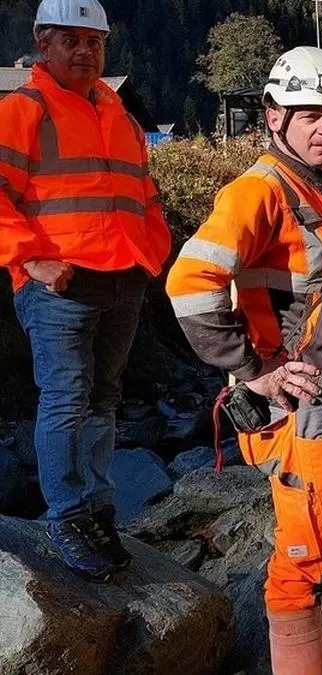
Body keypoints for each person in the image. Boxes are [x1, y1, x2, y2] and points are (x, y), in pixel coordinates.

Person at [166, 47, 322, 672]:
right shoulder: (259, 190)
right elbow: (189, 282)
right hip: (304, 412)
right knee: (304, 563)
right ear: (274, 116)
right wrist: (254, 371)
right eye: (308, 115)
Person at [0, 0, 171, 583]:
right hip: (60, 284)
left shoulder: (116, 113)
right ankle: (68, 516)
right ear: (41, 43)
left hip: (123, 276)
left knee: (102, 397)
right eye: (69, 40)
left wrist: (154, 250)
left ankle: (96, 508)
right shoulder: (25, 109)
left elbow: (142, 194)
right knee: (67, 398)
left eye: (93, 41)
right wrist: (32, 259)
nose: (83, 51)